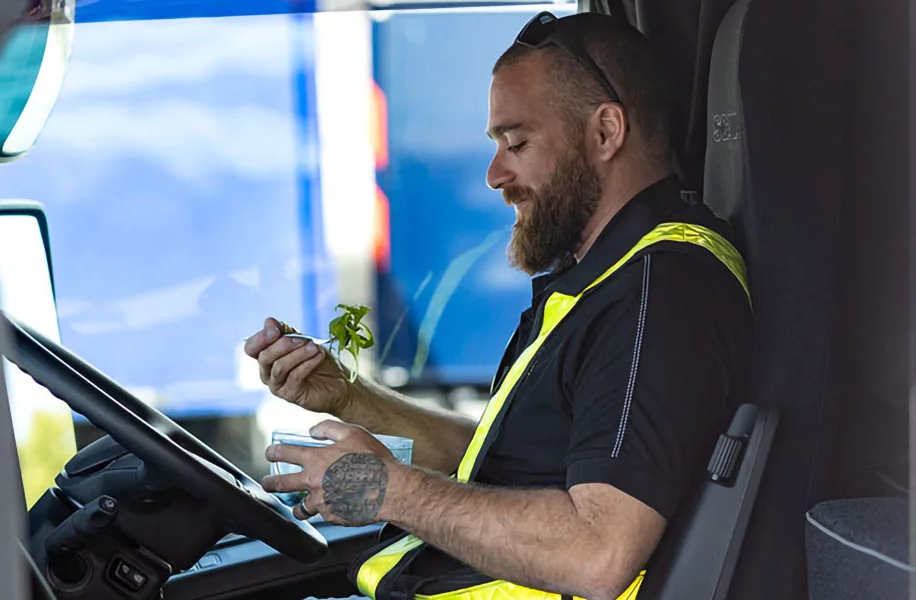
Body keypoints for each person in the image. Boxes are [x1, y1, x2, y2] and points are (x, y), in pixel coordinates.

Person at [244, 11, 751, 600]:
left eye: (517, 142)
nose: (494, 174)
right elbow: (501, 468)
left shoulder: (660, 291)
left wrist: (388, 490)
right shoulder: (604, 278)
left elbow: (599, 551)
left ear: (606, 132)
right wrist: (352, 398)